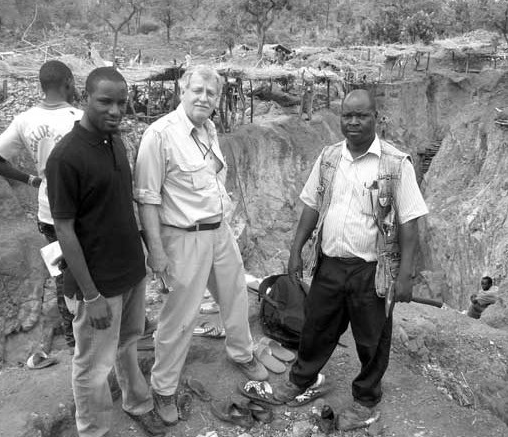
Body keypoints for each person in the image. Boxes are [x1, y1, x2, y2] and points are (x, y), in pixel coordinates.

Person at [273, 89, 428, 420]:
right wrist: (295, 249)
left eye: (361, 115)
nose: (353, 122)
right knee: (315, 327)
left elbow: (410, 224)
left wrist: (405, 277)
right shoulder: (329, 158)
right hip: (330, 264)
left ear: (376, 117)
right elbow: (312, 206)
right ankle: (300, 379)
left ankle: (366, 397)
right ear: (340, 118)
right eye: (347, 115)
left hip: (371, 271)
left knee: (372, 339)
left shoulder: (395, 164)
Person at [135, 65, 267, 426]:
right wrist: (156, 252)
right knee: (180, 316)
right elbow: (146, 198)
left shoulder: (209, 130)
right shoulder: (159, 135)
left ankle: (241, 353)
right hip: (183, 238)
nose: (204, 98)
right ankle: (163, 387)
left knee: (235, 293)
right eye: (197, 90)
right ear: (182, 90)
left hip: (218, 231)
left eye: (211, 93)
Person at [46, 67, 165, 437]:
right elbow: (64, 230)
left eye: (121, 103)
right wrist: (92, 295)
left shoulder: (114, 141)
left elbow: (118, 206)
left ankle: (137, 402)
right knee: (92, 365)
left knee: (128, 343)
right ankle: (93, 430)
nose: (115, 110)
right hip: (98, 284)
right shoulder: (66, 158)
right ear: (84, 99)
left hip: (130, 271)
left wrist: (146, 254)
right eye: (105, 101)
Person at [0, 60, 80, 351]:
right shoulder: (79, 118)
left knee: (62, 274)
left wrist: (31, 180)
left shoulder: (24, 120)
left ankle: (73, 342)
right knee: (90, 270)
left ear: (41, 85)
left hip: (48, 212)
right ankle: (95, 337)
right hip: (81, 213)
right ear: (69, 82)